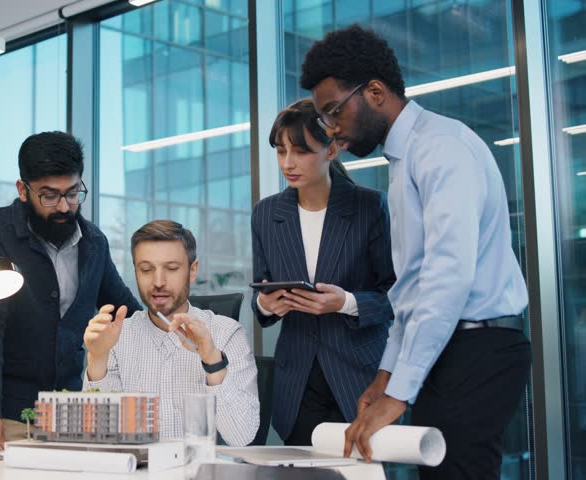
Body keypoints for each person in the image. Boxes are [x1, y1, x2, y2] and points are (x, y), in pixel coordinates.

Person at [300, 25, 531, 478]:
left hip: (480, 346)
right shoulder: (405, 159)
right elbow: (413, 289)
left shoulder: (441, 149)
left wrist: (398, 394)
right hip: (451, 345)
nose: (331, 129)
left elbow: (447, 280)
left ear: (375, 91)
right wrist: (386, 377)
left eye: (333, 111)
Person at [0, 131, 141, 450]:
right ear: (23, 189)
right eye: (49, 195)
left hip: (70, 414)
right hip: (9, 416)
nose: (64, 206)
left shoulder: (93, 243)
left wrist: (172, 326)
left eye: (73, 193)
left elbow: (124, 310)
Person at [251, 98, 395, 446]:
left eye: (300, 151)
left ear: (331, 149)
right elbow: (262, 293)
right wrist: (267, 305)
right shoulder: (266, 214)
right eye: (281, 151)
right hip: (298, 382)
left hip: (360, 376)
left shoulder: (369, 206)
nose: (288, 163)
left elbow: (396, 295)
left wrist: (345, 302)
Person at [83, 220, 259, 446]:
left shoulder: (227, 333)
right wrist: (98, 358)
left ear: (192, 270)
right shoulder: (117, 336)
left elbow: (242, 437)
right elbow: (99, 435)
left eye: (172, 268)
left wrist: (212, 360)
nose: (158, 282)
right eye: (146, 269)